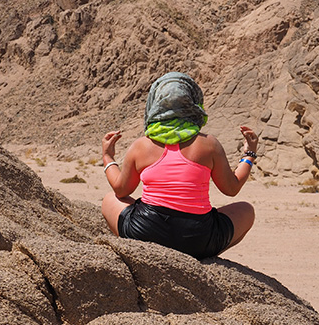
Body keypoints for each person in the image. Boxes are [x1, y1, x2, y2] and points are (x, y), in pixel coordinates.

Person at [101, 71, 257, 260]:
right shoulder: (209, 144)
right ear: (193, 102)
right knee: (247, 210)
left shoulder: (141, 146)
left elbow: (120, 189)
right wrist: (249, 154)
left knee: (110, 199)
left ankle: (137, 255)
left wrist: (108, 156)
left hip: (146, 232)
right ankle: (201, 257)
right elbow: (231, 188)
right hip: (198, 238)